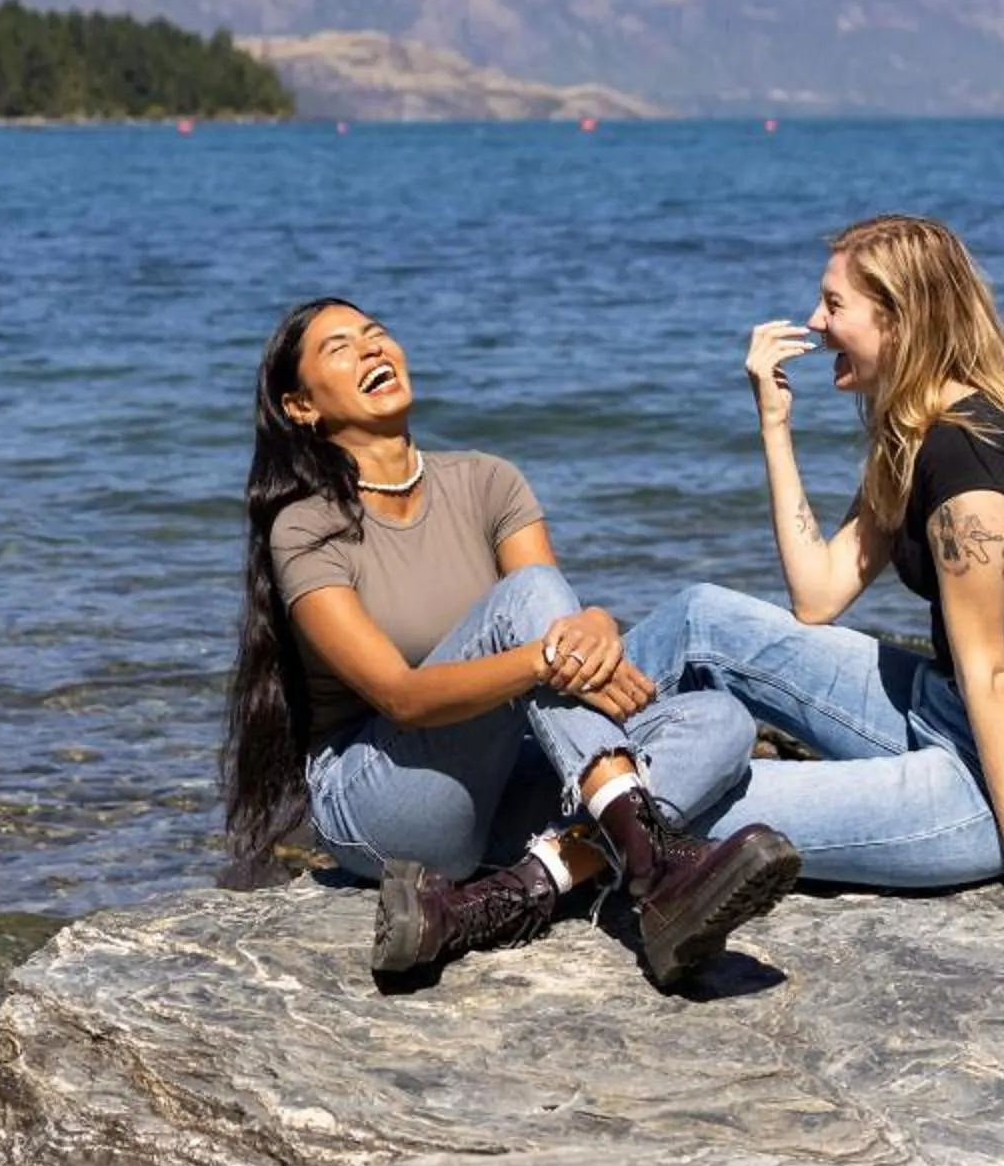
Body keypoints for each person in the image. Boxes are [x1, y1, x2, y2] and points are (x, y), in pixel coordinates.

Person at [222, 295, 799, 990]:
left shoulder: (487, 480)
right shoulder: (304, 526)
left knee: (721, 721)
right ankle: (653, 869)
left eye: (377, 333)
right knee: (525, 604)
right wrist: (544, 658)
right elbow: (401, 697)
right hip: (377, 796)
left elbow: (553, 625)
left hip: (491, 792)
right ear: (301, 407)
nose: (373, 348)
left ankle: (511, 895)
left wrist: (595, 623)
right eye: (341, 347)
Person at [622, 214, 1004, 963]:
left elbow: (988, 669)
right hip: (943, 706)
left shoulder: (963, 454)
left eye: (833, 305)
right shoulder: (914, 431)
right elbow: (818, 596)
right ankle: (557, 745)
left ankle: (532, 811)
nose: (815, 324)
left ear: (898, 319)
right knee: (701, 618)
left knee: (710, 795)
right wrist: (774, 424)